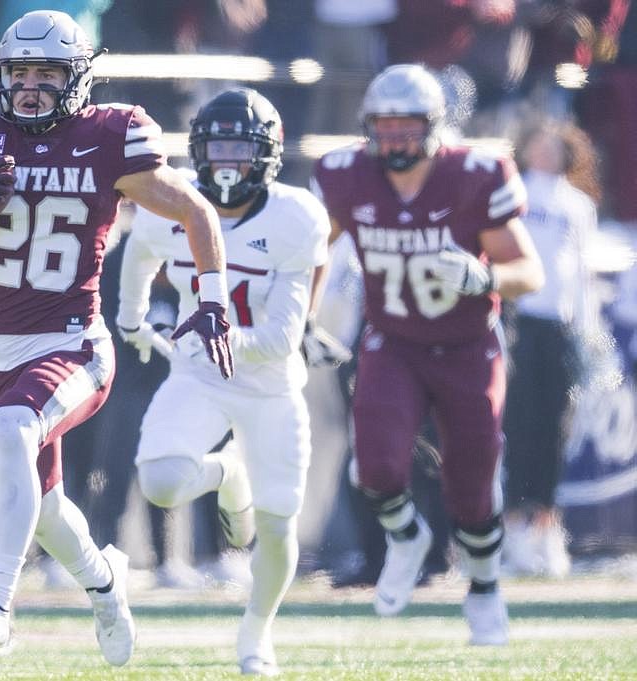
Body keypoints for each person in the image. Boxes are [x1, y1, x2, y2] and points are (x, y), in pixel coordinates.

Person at [0, 10, 232, 664]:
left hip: (72, 341)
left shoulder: (111, 135)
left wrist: (214, 298)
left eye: (46, 72)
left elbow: (194, 208)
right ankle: (106, 583)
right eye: (19, 72)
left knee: (13, 428)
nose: (29, 85)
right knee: (47, 509)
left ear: (77, 78)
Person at [311, 63, 545, 646]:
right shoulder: (346, 175)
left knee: (471, 481)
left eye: (406, 127)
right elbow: (310, 249)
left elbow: (529, 272)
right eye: (384, 127)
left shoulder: (475, 174)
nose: (394, 139)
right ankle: (407, 537)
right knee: (376, 465)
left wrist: (481, 274)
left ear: (435, 126)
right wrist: (301, 318)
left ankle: (486, 588)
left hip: (468, 344)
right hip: (392, 340)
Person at [117, 87, 328, 675]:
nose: (227, 161)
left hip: (269, 385)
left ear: (267, 154)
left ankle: (256, 634)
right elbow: (140, 251)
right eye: (218, 147)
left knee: (279, 526)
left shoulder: (295, 216)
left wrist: (205, 337)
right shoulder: (175, 203)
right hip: (199, 376)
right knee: (159, 480)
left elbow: (282, 338)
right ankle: (227, 473)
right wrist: (130, 316)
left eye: (240, 147)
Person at [501, 119, 601, 578]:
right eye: (537, 144)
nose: (544, 153)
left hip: (560, 327)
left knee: (554, 425)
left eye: (552, 146)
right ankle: (515, 523)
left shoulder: (579, 205)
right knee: (518, 422)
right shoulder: (513, 190)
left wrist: (588, 329)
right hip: (521, 320)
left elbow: (582, 269)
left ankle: (545, 522)